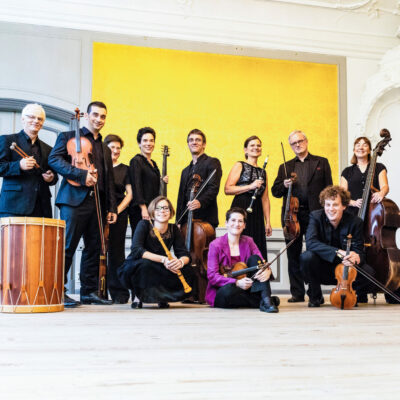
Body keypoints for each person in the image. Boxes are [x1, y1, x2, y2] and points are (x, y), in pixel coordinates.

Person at [48, 101, 117, 307]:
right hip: (73, 200)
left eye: (103, 116)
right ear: (87, 116)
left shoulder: (105, 148)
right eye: (95, 115)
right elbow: (54, 160)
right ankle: (58, 290)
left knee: (94, 248)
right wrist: (81, 174)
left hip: (97, 202)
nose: (99, 119)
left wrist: (112, 207)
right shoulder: (67, 137)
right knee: (67, 246)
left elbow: (109, 179)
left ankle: (89, 292)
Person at [271, 130, 332, 303]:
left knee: (314, 253)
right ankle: (297, 293)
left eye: (300, 141)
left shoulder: (322, 162)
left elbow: (329, 189)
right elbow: (275, 192)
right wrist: (283, 184)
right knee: (293, 254)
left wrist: (327, 214)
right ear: (291, 146)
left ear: (306, 141)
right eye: (293, 143)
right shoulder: (285, 166)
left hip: (316, 215)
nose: (297, 144)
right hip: (292, 216)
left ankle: (314, 293)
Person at [300, 185, 374, 307]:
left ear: (344, 206)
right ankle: (315, 295)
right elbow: (311, 243)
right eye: (327, 205)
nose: (331, 209)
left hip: (346, 271)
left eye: (335, 205)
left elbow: (359, 251)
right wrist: (339, 252)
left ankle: (349, 293)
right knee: (306, 258)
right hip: (323, 268)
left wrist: (356, 258)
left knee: (369, 273)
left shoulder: (355, 222)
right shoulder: (315, 217)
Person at [118, 196, 194, 309]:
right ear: (152, 212)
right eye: (158, 208)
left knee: (188, 269)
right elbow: (137, 250)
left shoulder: (174, 229)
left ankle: (163, 296)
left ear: (171, 211)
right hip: (139, 263)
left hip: (161, 264)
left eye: (165, 208)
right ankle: (138, 297)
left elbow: (184, 254)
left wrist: (180, 262)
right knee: (146, 265)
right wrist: (164, 259)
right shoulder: (143, 225)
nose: (162, 211)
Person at [206, 207, 279, 313]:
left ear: (244, 225)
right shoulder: (215, 245)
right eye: (233, 220)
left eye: (240, 221)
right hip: (223, 290)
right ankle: (261, 300)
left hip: (246, 288)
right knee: (228, 291)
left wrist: (267, 270)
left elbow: (261, 262)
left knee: (255, 259)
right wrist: (236, 282)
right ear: (226, 223)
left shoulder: (249, 241)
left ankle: (266, 302)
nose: (237, 224)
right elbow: (212, 276)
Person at [0, 103, 57, 218]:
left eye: (40, 119)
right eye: (31, 117)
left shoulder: (48, 149)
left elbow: (53, 175)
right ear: (23, 119)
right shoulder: (7, 140)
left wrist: (51, 178)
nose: (36, 121)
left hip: (41, 206)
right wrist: (19, 165)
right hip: (14, 205)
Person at [224, 135, 272, 260]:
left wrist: (268, 222)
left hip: (257, 212)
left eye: (258, 145)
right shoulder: (239, 165)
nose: (256, 147)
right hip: (241, 208)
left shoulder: (263, 172)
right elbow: (228, 189)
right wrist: (250, 186)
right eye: (252, 145)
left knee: (256, 245)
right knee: (240, 244)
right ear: (245, 150)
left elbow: (265, 199)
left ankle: (256, 276)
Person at [104, 134, 132, 304]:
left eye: (118, 148)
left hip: (119, 215)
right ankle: (97, 291)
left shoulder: (125, 169)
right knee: (96, 251)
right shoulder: (99, 167)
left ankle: (119, 292)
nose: (115, 151)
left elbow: (130, 194)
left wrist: (116, 211)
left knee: (116, 253)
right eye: (111, 147)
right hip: (100, 212)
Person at [176, 129, 222, 229]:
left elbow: (213, 188)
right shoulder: (185, 171)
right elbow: (181, 197)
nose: (194, 142)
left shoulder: (212, 162)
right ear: (188, 144)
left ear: (204, 144)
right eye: (191, 140)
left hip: (206, 219)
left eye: (198, 140)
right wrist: (178, 220)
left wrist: (200, 201)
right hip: (186, 220)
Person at [128, 127, 168, 235]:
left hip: (153, 209)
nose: (148, 143)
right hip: (140, 211)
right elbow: (137, 185)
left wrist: (161, 180)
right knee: (140, 242)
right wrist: (143, 208)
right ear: (139, 143)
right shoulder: (136, 161)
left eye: (151, 140)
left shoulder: (153, 164)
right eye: (145, 140)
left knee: (151, 242)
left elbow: (150, 185)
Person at [340, 136, 389, 216]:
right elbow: (342, 196)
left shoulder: (379, 167)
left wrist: (381, 193)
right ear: (354, 150)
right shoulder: (347, 171)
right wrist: (354, 203)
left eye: (365, 145)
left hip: (374, 212)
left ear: (369, 150)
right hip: (352, 215)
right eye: (358, 145)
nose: (361, 147)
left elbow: (385, 186)